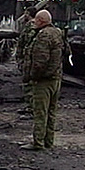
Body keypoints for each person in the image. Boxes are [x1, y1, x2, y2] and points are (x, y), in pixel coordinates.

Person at [20, 9, 64, 151]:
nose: (34, 23)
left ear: (41, 21)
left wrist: (32, 76)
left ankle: (38, 143)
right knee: (51, 112)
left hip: (43, 81)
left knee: (40, 112)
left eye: (37, 20)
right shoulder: (57, 32)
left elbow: (40, 61)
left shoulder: (43, 36)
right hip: (55, 79)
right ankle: (48, 141)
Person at [16, 6, 37, 113]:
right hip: (26, 57)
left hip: (28, 58)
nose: (24, 15)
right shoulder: (30, 25)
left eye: (26, 13)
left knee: (28, 83)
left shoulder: (31, 26)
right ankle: (30, 106)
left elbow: (29, 42)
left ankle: (31, 107)